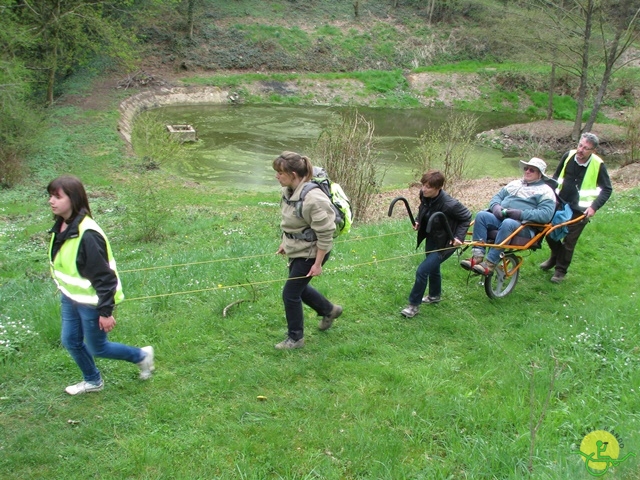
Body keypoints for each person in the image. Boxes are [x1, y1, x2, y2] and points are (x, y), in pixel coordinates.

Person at [48, 175, 154, 395]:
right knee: (70, 340)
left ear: (73, 199)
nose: (51, 201)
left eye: (57, 196)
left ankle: (142, 356)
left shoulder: (88, 235)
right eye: (50, 196)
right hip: (71, 297)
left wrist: (105, 312)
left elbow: (106, 279)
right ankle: (93, 381)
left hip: (91, 302)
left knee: (99, 347)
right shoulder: (62, 225)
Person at [273, 152, 342, 349]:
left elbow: (326, 233)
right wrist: (285, 243)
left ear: (293, 174)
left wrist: (318, 263)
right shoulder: (289, 191)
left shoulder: (314, 198)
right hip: (298, 249)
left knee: (290, 293)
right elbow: (291, 223)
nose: (277, 176)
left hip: (312, 253)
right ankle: (330, 310)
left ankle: (296, 339)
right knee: (298, 289)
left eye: (280, 172)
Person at [461, 158, 556, 275]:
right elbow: (496, 197)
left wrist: (520, 214)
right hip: (502, 219)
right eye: (526, 168)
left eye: (532, 170)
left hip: (524, 227)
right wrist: (496, 207)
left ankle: (490, 263)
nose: (527, 171)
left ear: (540, 174)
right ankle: (477, 257)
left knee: (508, 223)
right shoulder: (514, 184)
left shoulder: (546, 191)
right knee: (481, 215)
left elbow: (545, 214)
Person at [540, 132, 613, 283]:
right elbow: (555, 177)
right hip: (560, 202)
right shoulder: (568, 155)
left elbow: (607, 189)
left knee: (569, 241)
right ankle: (555, 256)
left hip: (580, 209)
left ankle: (560, 271)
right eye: (580, 145)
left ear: (593, 151)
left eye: (586, 148)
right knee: (548, 230)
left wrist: (594, 207)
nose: (581, 150)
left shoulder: (598, 165)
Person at [400, 171, 471, 318]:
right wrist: (418, 220)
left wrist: (459, 237)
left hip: (447, 242)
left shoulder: (449, 204)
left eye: (428, 187)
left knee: (422, 270)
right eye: (423, 185)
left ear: (438, 188)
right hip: (433, 236)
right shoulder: (424, 195)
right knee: (433, 268)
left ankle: (413, 305)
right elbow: (423, 208)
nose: (424, 189)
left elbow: (466, 217)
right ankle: (434, 296)